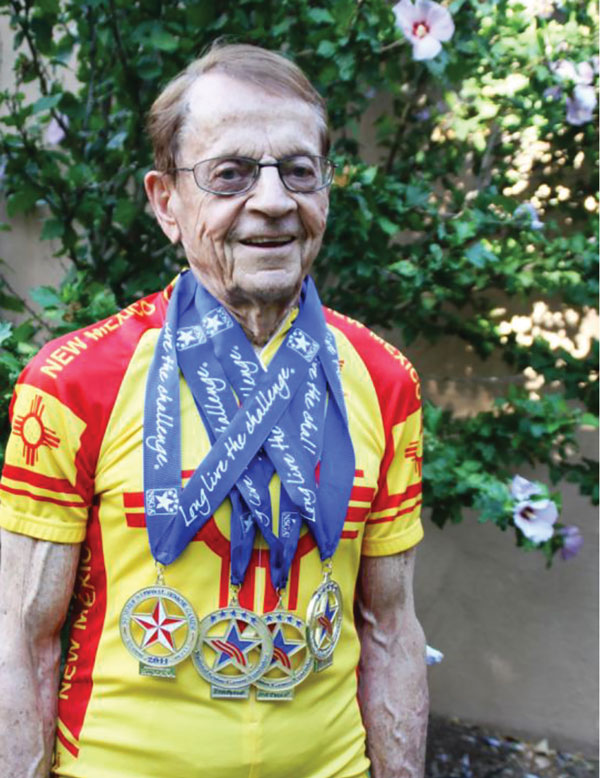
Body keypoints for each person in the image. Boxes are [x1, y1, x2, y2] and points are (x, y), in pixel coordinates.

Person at [0, 43, 428, 778]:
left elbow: (390, 628)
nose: (272, 201)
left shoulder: (385, 381)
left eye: (299, 171)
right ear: (167, 201)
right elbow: (20, 639)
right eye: (229, 174)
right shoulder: (75, 383)